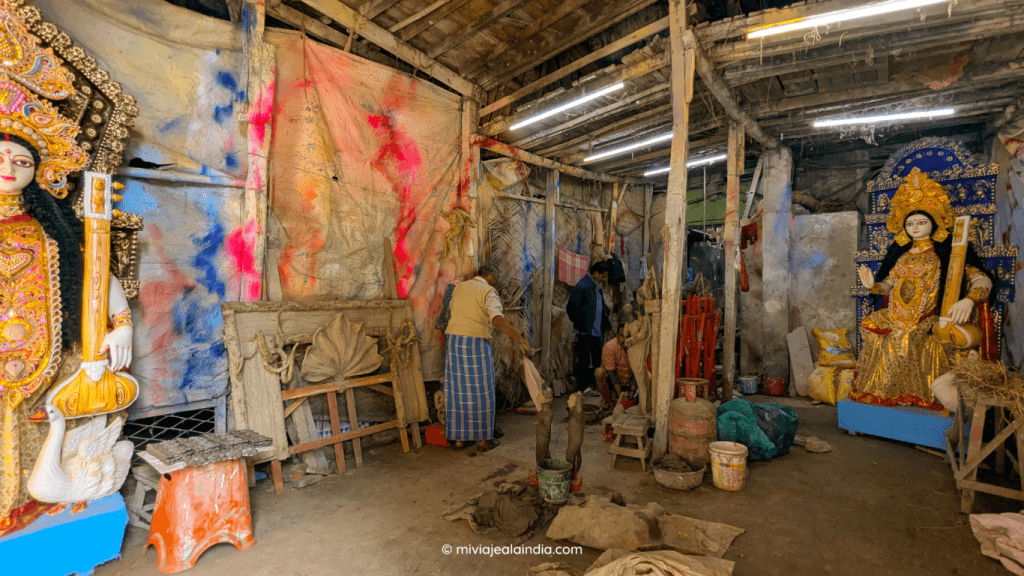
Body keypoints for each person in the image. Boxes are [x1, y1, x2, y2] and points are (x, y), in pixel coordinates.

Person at [0, 83, 134, 530]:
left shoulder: (48, 228)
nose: (10, 167)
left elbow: (96, 276)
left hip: (46, 358)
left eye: (22, 161)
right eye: (1, 157)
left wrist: (122, 324)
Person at [850, 168, 992, 410]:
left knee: (906, 338)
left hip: (926, 319)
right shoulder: (902, 257)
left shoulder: (947, 255)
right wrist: (872, 285)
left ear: (933, 223)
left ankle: (918, 395)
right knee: (874, 327)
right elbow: (888, 285)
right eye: (910, 223)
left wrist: (968, 299)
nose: (915, 226)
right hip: (896, 317)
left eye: (921, 222)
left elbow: (982, 280)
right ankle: (885, 394)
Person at [444, 264, 529, 451]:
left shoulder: (459, 288)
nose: (496, 283)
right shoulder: (488, 291)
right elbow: (497, 319)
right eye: (496, 280)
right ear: (491, 278)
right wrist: (518, 339)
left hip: (454, 341)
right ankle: (483, 440)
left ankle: (459, 440)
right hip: (475, 341)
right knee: (482, 390)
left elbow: (452, 311)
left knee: (458, 390)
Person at [567, 260, 611, 394]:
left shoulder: (596, 286)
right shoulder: (582, 286)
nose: (604, 279)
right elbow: (571, 308)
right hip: (585, 331)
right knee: (584, 361)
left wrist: (606, 323)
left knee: (597, 359)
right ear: (596, 273)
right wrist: (580, 324)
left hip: (596, 331)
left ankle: (596, 385)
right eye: (603, 276)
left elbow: (601, 307)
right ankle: (583, 387)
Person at [595, 326, 635, 405]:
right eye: (622, 336)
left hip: (628, 382)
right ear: (617, 336)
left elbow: (639, 371)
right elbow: (611, 374)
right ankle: (610, 402)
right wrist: (620, 396)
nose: (625, 340)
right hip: (613, 383)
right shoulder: (609, 347)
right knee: (599, 372)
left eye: (628, 337)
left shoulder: (635, 347)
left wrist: (631, 393)